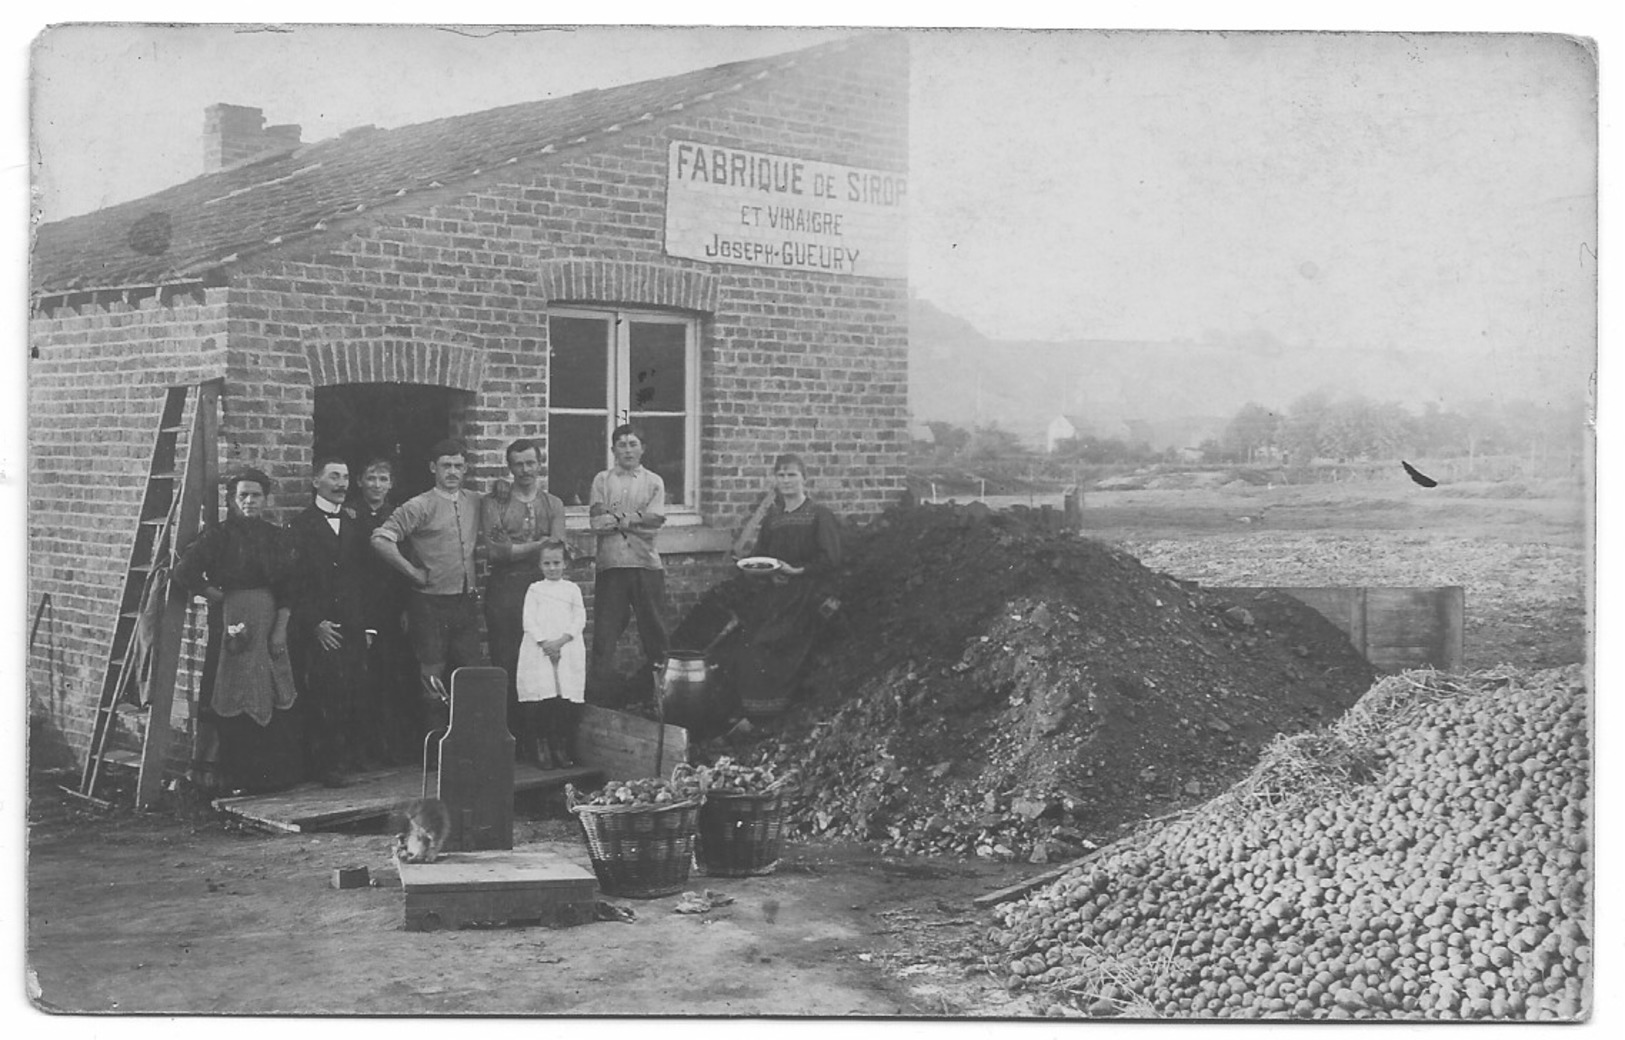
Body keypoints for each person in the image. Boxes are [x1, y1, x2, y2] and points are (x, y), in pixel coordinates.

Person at [172, 468, 302, 793]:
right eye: (242, 495)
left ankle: (271, 776)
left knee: (271, 690)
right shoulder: (219, 536)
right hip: (232, 622)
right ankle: (234, 777)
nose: (249, 501)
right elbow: (184, 571)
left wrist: (279, 630)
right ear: (232, 500)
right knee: (232, 689)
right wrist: (211, 592)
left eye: (255, 495)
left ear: (265, 499)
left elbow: (290, 587)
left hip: (268, 619)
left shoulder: (277, 537)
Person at [370, 439, 488, 725]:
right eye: (446, 465)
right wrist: (412, 571)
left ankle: (469, 740)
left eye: (458, 466)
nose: (452, 472)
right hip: (430, 603)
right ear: (433, 467)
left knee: (472, 672)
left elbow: (500, 502)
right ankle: (435, 744)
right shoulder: (419, 505)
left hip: (465, 601)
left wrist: (501, 489)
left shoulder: (474, 500)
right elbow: (380, 539)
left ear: (466, 469)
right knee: (432, 674)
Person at [731, 453, 843, 720]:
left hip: (806, 594)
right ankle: (754, 712)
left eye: (792, 474)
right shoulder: (773, 519)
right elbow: (761, 556)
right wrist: (769, 575)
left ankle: (776, 712)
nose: (786, 480)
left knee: (769, 644)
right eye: (781, 475)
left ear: (804, 478)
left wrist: (797, 571)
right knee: (747, 644)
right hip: (775, 595)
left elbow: (831, 558)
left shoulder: (819, 515)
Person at [286, 456, 372, 786]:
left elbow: (364, 579)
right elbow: (293, 583)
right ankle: (323, 765)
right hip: (318, 628)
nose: (342, 484)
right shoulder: (300, 526)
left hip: (351, 625)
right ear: (315, 481)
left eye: (346, 477)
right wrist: (314, 623)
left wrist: (366, 625)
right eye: (334, 476)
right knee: (322, 693)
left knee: (351, 691)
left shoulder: (355, 526)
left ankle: (346, 758)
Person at [481, 438, 567, 750]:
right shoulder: (495, 502)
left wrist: (526, 547)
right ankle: (510, 738)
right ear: (509, 467)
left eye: (530, 463)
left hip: (543, 589)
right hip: (506, 589)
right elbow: (497, 550)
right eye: (518, 464)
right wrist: (536, 545)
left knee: (543, 661)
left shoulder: (553, 504)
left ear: (539, 463)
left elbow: (556, 549)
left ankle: (540, 738)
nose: (525, 470)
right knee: (507, 660)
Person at [587, 423, 669, 704]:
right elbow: (598, 521)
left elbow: (656, 521)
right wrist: (636, 518)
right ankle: (599, 700)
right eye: (621, 445)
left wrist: (620, 518)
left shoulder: (654, 482)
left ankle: (660, 698)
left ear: (643, 448)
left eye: (633, 444)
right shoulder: (602, 480)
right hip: (611, 568)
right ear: (612, 450)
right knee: (605, 637)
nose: (627, 450)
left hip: (646, 566)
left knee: (655, 634)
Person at [350, 457, 418, 764]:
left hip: (390, 602)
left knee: (391, 675)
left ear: (391, 484)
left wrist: (405, 606)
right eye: (371, 478)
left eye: (383, 479)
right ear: (360, 481)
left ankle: (390, 748)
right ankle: (361, 750)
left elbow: (407, 562)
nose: (376, 485)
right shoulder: (350, 514)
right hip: (359, 602)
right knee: (361, 676)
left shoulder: (399, 516)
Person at [516, 539, 586, 768]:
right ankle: (541, 745)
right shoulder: (535, 590)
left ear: (565, 563)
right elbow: (529, 620)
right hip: (540, 651)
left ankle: (559, 745)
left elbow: (579, 619)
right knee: (542, 698)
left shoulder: (572, 589)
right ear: (540, 565)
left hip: (566, 649)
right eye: (547, 563)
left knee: (562, 700)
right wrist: (545, 643)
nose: (552, 568)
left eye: (556, 562)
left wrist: (561, 641)